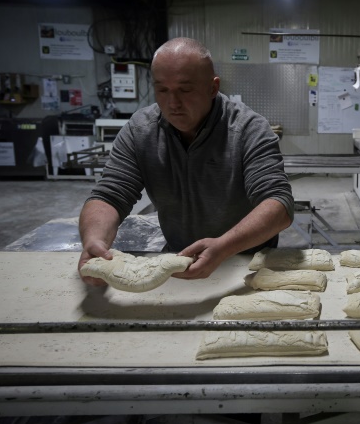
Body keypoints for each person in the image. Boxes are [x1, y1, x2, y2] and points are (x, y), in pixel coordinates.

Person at [77, 37, 294, 285]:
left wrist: (223, 247)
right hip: (177, 259)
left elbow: (278, 204)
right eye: (162, 89)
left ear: (213, 88)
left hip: (248, 261)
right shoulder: (141, 130)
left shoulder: (248, 129)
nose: (173, 104)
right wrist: (95, 240)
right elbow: (109, 195)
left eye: (185, 90)